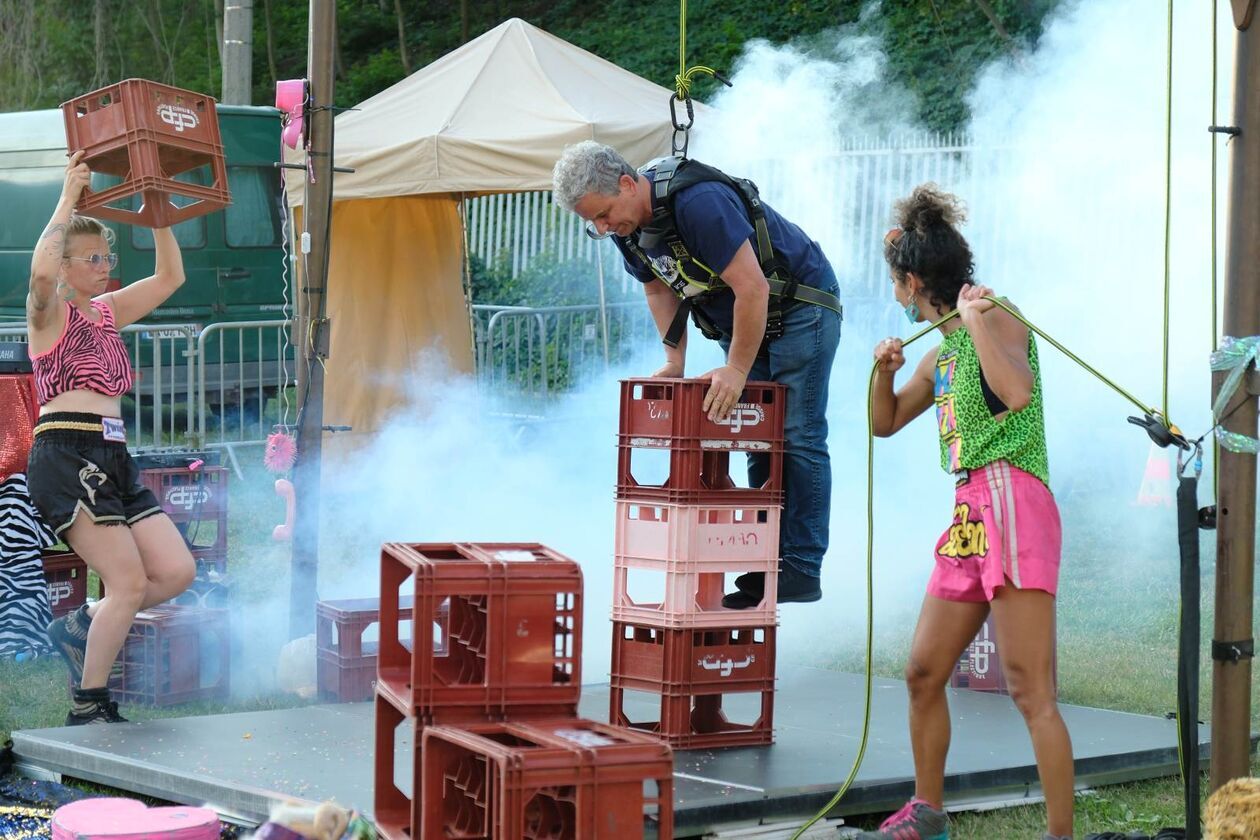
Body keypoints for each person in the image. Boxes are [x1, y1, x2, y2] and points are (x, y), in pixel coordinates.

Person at [859, 185, 1073, 840]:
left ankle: (1062, 835)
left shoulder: (997, 315)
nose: (894, 290)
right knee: (923, 670)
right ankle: (928, 814)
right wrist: (882, 371)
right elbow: (885, 422)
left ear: (913, 281)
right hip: (969, 512)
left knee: (1027, 687)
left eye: (895, 281)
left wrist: (977, 320)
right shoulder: (938, 352)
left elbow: (1014, 391)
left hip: (1011, 494)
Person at [552, 141, 842, 605]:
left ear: (628, 184)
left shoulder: (697, 202)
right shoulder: (627, 228)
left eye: (605, 214)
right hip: (744, 316)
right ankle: (770, 561)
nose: (604, 228)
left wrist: (736, 369)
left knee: (797, 431)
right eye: (595, 224)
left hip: (797, 304)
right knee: (757, 434)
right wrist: (674, 359)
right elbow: (657, 290)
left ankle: (802, 567)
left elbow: (753, 286)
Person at [25, 150, 196, 725]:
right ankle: (88, 705)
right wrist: (69, 196)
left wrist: (159, 212)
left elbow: (172, 277)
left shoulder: (105, 312)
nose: (104, 265)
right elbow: (41, 274)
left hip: (113, 455)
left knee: (174, 572)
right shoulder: (47, 314)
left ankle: (82, 623)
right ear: (68, 265)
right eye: (92, 258)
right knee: (127, 581)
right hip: (65, 452)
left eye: (108, 255)